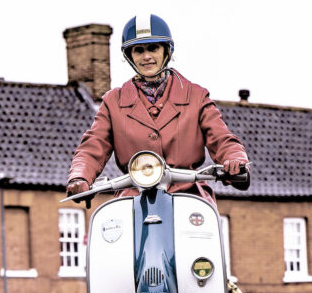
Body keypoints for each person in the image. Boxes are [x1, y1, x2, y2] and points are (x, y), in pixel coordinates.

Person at [67, 13, 249, 200]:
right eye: (138, 50)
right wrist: (79, 176)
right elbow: (93, 146)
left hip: (188, 196)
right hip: (133, 198)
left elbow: (222, 139)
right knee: (101, 229)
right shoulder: (113, 102)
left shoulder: (196, 96)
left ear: (166, 51)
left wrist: (234, 160)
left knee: (206, 228)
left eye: (153, 48)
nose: (146, 56)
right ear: (130, 56)